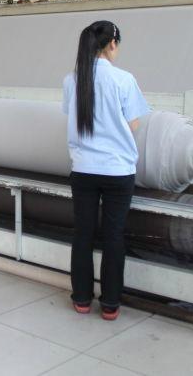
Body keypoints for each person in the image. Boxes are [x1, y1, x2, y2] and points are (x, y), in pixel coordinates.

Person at [62, 20, 150, 321]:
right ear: (113, 43)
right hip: (117, 170)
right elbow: (134, 124)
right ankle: (110, 304)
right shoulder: (123, 79)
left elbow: (72, 116)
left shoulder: (71, 80)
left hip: (83, 169)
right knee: (113, 236)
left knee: (83, 234)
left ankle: (82, 299)